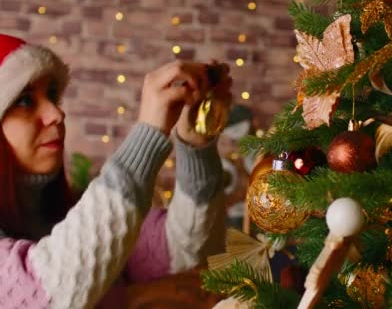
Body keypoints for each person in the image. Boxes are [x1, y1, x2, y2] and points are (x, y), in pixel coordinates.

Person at [0, 33, 227, 308]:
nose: (57, 114)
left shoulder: (70, 211)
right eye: (25, 101)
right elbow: (43, 293)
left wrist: (195, 143)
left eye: (51, 95)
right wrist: (147, 134)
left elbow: (186, 253)